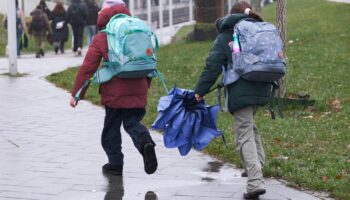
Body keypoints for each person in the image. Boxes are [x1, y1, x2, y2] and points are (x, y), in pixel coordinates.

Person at [69, 2, 158, 177]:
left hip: (114, 93)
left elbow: (88, 68)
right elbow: (148, 61)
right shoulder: (137, 30)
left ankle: (115, 164)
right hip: (138, 87)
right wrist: (144, 86)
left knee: (111, 130)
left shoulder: (103, 36)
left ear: (104, 14)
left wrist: (77, 94)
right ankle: (146, 143)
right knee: (132, 123)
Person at [194, 1, 271, 199]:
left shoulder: (227, 34)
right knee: (250, 126)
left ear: (231, 14)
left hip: (241, 89)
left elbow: (212, 66)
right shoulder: (259, 28)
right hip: (263, 85)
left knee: (243, 133)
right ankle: (258, 167)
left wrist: (199, 91)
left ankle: (255, 182)